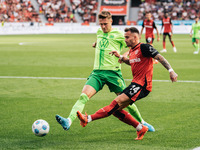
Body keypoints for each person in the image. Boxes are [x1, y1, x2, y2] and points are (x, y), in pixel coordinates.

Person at [55, 11, 155, 132]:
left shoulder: (119, 34)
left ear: (111, 21)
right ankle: (69, 121)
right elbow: (103, 41)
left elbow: (132, 47)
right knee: (83, 97)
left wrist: (123, 56)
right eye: (101, 24)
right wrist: (96, 44)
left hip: (113, 73)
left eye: (105, 24)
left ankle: (142, 123)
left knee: (128, 101)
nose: (103, 27)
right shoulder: (99, 32)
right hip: (97, 73)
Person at [77, 27, 178, 140]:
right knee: (116, 110)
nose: (124, 39)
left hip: (142, 85)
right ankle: (140, 127)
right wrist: (120, 57)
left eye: (127, 37)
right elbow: (133, 62)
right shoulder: (132, 50)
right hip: (135, 84)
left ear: (135, 37)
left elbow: (160, 57)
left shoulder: (144, 47)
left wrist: (171, 71)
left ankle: (88, 119)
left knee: (116, 103)